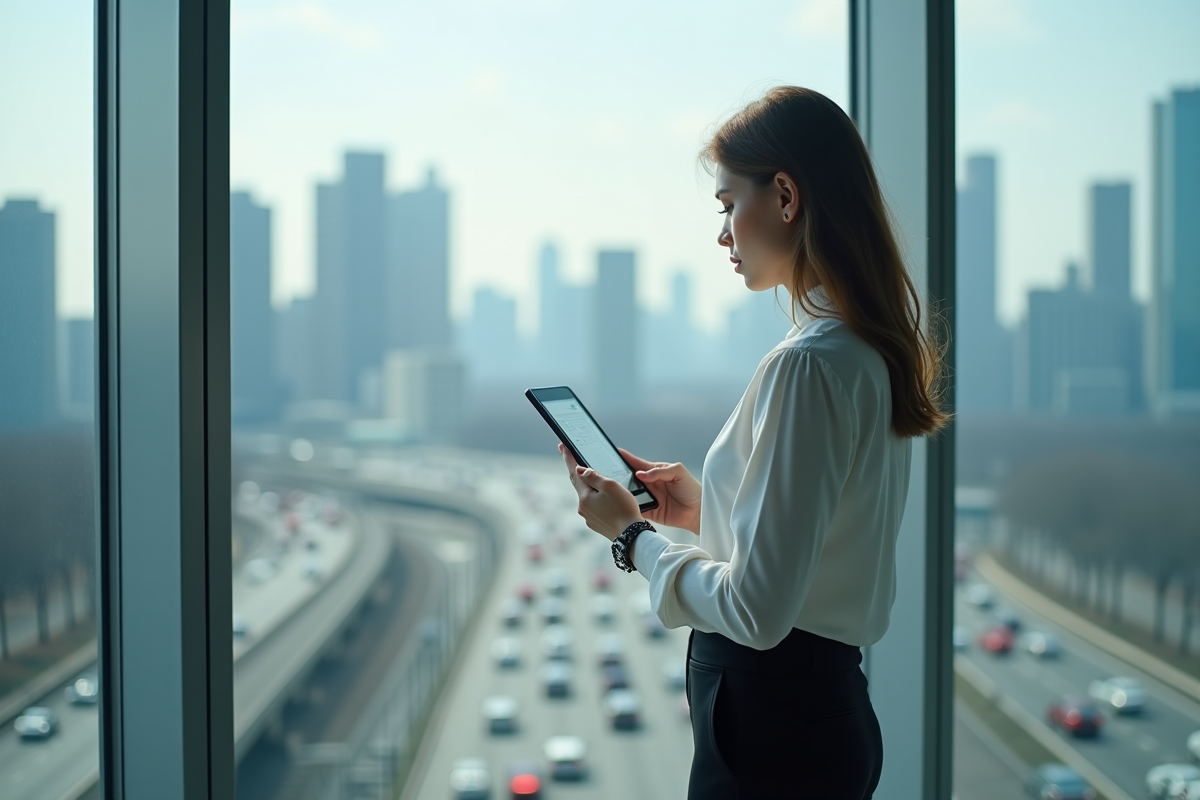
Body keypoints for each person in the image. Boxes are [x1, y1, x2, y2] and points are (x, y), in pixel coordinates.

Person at [558, 86, 947, 800]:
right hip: (818, 716)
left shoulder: (807, 364)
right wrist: (700, 512)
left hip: (774, 732)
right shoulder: (862, 350)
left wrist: (632, 537)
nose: (723, 233)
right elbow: (819, 550)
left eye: (727, 204)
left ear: (787, 196)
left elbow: (758, 615)